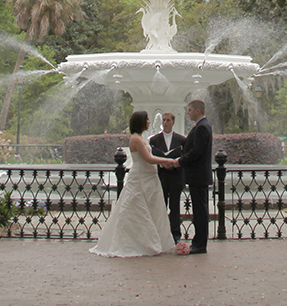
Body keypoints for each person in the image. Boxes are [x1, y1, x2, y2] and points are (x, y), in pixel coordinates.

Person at [90, 111, 178, 258]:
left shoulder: (141, 138)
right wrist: (167, 161)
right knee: (136, 209)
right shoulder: (136, 139)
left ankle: (153, 240)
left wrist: (163, 164)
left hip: (149, 178)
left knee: (151, 210)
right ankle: (140, 243)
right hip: (140, 178)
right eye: (147, 119)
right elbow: (148, 158)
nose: (150, 122)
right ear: (141, 122)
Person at [171, 98, 213, 254]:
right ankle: (198, 242)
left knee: (200, 211)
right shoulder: (202, 126)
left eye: (189, 110)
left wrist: (180, 162)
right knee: (199, 210)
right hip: (198, 176)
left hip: (199, 176)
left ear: (197, 110)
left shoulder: (202, 127)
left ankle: (200, 244)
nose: (188, 113)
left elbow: (197, 151)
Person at [149, 111, 186, 242]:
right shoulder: (154, 140)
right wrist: (162, 164)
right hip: (162, 176)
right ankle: (160, 233)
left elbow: (185, 157)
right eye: (163, 120)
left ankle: (175, 234)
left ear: (173, 122)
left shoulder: (181, 140)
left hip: (176, 176)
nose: (165, 123)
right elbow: (151, 157)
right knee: (161, 205)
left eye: (168, 120)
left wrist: (174, 163)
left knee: (175, 206)